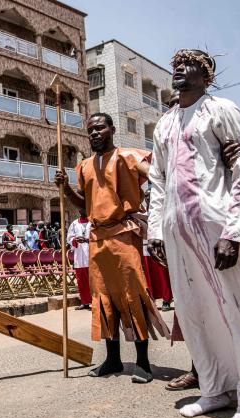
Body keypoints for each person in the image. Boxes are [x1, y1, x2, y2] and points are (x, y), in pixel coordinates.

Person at [147, 49, 240, 418]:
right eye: (175, 66)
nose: (179, 71)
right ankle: (215, 388)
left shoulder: (221, 110)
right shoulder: (164, 124)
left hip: (218, 227)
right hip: (177, 234)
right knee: (195, 314)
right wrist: (154, 231)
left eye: (189, 66)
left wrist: (234, 233)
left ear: (207, 76)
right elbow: (157, 180)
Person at [55, 112, 169, 384]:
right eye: (90, 130)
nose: (94, 133)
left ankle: (142, 362)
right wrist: (66, 188)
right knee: (102, 298)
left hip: (124, 233)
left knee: (133, 294)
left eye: (99, 128)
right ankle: (113, 358)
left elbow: (157, 176)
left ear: (111, 129)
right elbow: (84, 204)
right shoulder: (83, 166)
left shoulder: (129, 156)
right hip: (97, 238)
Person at [67, 208, 91, 310]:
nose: (82, 211)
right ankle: (84, 302)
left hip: (91, 254)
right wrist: (75, 240)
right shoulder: (74, 223)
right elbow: (69, 237)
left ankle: (94, 301)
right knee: (81, 281)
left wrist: (87, 239)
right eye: (81, 210)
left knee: (92, 281)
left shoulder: (92, 222)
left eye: (84, 209)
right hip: (79, 256)